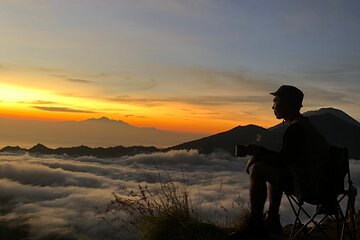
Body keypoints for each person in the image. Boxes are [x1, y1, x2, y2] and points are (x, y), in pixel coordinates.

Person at [230, 85, 330, 239]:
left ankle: (256, 225)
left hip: (307, 186)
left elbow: (284, 161)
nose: (273, 106)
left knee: (258, 169)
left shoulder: (296, 129)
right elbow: (289, 156)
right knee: (269, 167)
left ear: (287, 104)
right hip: (322, 184)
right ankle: (272, 220)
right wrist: (261, 151)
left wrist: (258, 158)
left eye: (276, 102)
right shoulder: (303, 124)